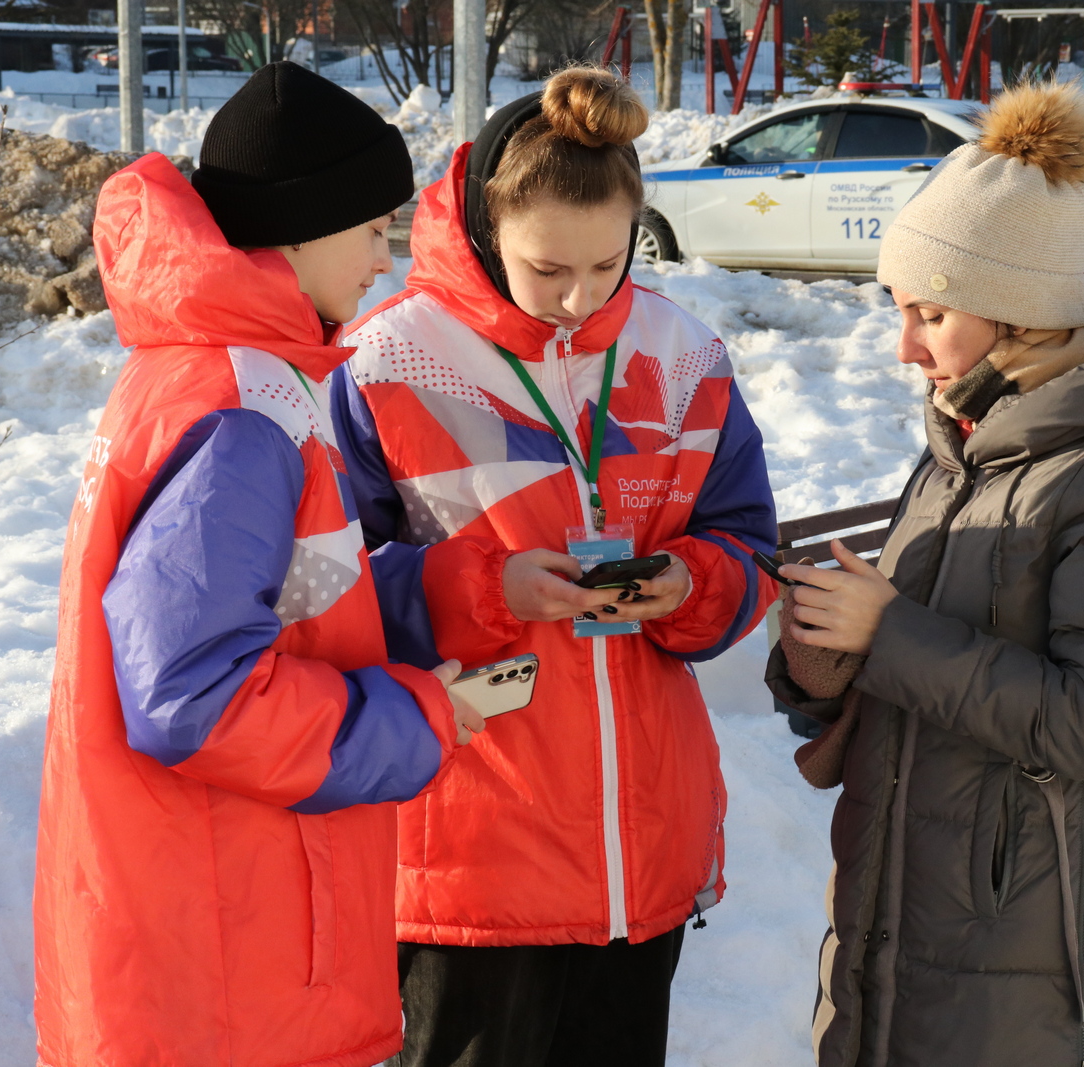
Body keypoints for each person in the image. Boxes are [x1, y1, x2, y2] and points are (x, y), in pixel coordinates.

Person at [33, 63, 482, 1067]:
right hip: (232, 967)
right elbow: (192, 690)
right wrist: (414, 720)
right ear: (298, 228)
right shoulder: (237, 407)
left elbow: (287, 603)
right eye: (371, 226)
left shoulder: (211, 373)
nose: (385, 255)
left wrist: (464, 590)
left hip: (217, 939)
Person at [328, 66, 778, 1067]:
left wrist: (689, 586)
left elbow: (749, 544)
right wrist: (478, 588)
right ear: (489, 232)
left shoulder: (684, 354)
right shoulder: (383, 364)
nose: (581, 298)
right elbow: (320, 592)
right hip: (466, 860)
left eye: (607, 264)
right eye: (547, 270)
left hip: (639, 855)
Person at [766, 82, 1084, 1067]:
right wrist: (823, 651)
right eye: (900, 308)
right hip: (893, 917)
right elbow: (911, 664)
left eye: (930, 312)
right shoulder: (964, 446)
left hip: (1020, 945)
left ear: (1018, 315)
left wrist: (886, 633)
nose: (905, 345)